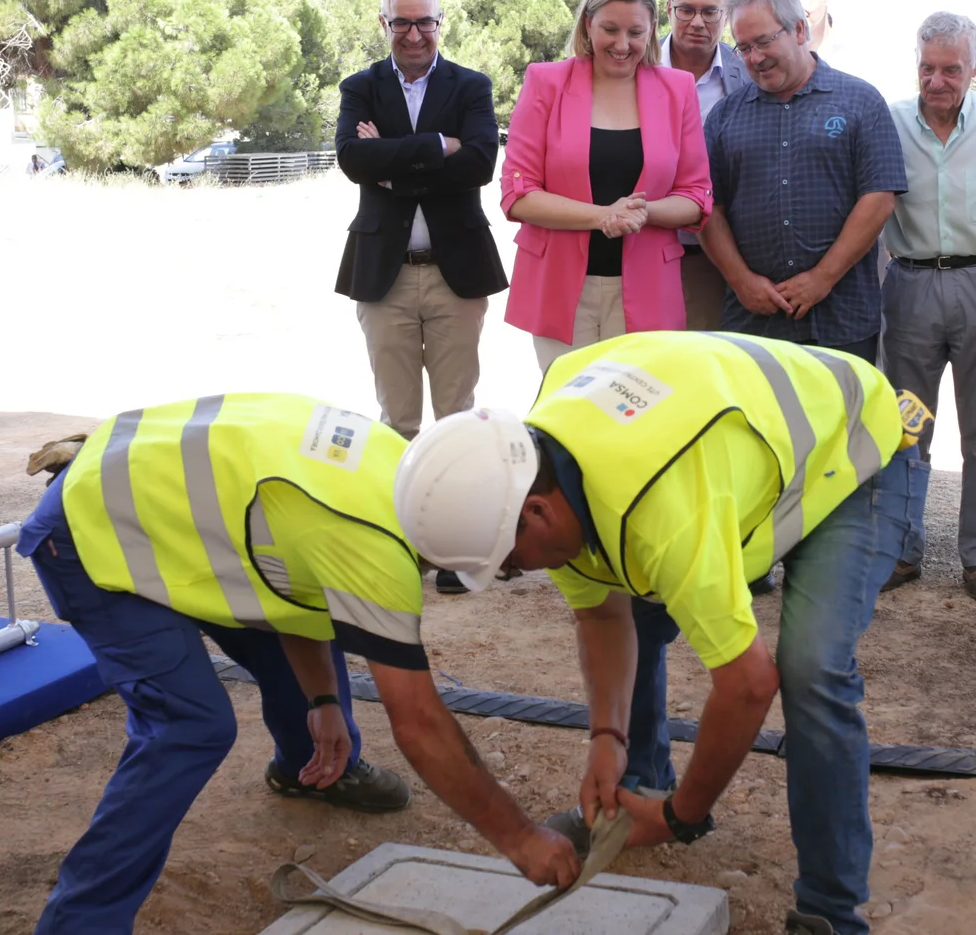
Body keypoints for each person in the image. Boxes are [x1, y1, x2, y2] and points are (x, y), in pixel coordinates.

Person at [393, 333, 931, 935]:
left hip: (856, 455)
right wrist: (606, 735)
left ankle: (829, 910)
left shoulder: (661, 503)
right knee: (637, 601)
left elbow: (748, 685)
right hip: (746, 462)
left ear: (538, 513)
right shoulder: (539, 466)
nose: (520, 574)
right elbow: (601, 615)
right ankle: (640, 786)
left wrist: (682, 815)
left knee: (812, 668)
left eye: (511, 562)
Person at [17, 393, 579, 932]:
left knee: (311, 663)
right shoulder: (371, 545)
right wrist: (520, 838)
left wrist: (326, 701)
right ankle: (80, 922)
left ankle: (303, 769)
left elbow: (300, 592)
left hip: (178, 515)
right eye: (508, 562)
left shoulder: (405, 470)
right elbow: (420, 723)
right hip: (92, 531)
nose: (512, 569)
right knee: (189, 726)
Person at [500, 0, 711, 372]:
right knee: (567, 415)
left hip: (649, 287)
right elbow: (518, 193)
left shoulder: (678, 89)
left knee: (638, 418)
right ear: (587, 25)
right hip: (559, 287)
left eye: (635, 32)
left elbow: (697, 196)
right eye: (610, 29)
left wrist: (642, 213)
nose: (622, 44)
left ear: (652, 31)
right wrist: (602, 217)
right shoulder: (546, 82)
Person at [700, 0, 906, 367]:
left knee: (840, 427)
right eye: (743, 48)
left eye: (763, 42)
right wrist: (742, 282)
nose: (754, 58)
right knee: (760, 428)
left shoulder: (860, 100)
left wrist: (823, 277)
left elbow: (879, 198)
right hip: (753, 323)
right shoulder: (725, 116)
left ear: (798, 30)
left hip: (842, 318)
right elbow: (709, 208)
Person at [335, 0, 506, 442]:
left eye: (425, 22)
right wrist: (437, 145)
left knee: (458, 422)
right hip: (383, 276)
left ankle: (456, 512)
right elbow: (352, 158)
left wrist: (389, 168)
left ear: (441, 21)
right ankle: (394, 514)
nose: (414, 35)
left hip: (457, 275)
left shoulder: (472, 86)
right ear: (382, 23)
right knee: (396, 426)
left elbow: (480, 164)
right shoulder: (360, 88)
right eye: (401, 23)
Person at [882, 13, 976, 602]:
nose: (937, 81)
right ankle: (903, 551)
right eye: (927, 68)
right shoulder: (887, 123)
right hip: (910, 287)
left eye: (951, 69)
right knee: (907, 428)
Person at [660, 0, 749, 331]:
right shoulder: (632, 64)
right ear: (669, 10)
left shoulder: (748, 73)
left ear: (726, 15)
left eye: (710, 11)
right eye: (686, 10)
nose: (697, 22)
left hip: (712, 254)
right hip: (640, 244)